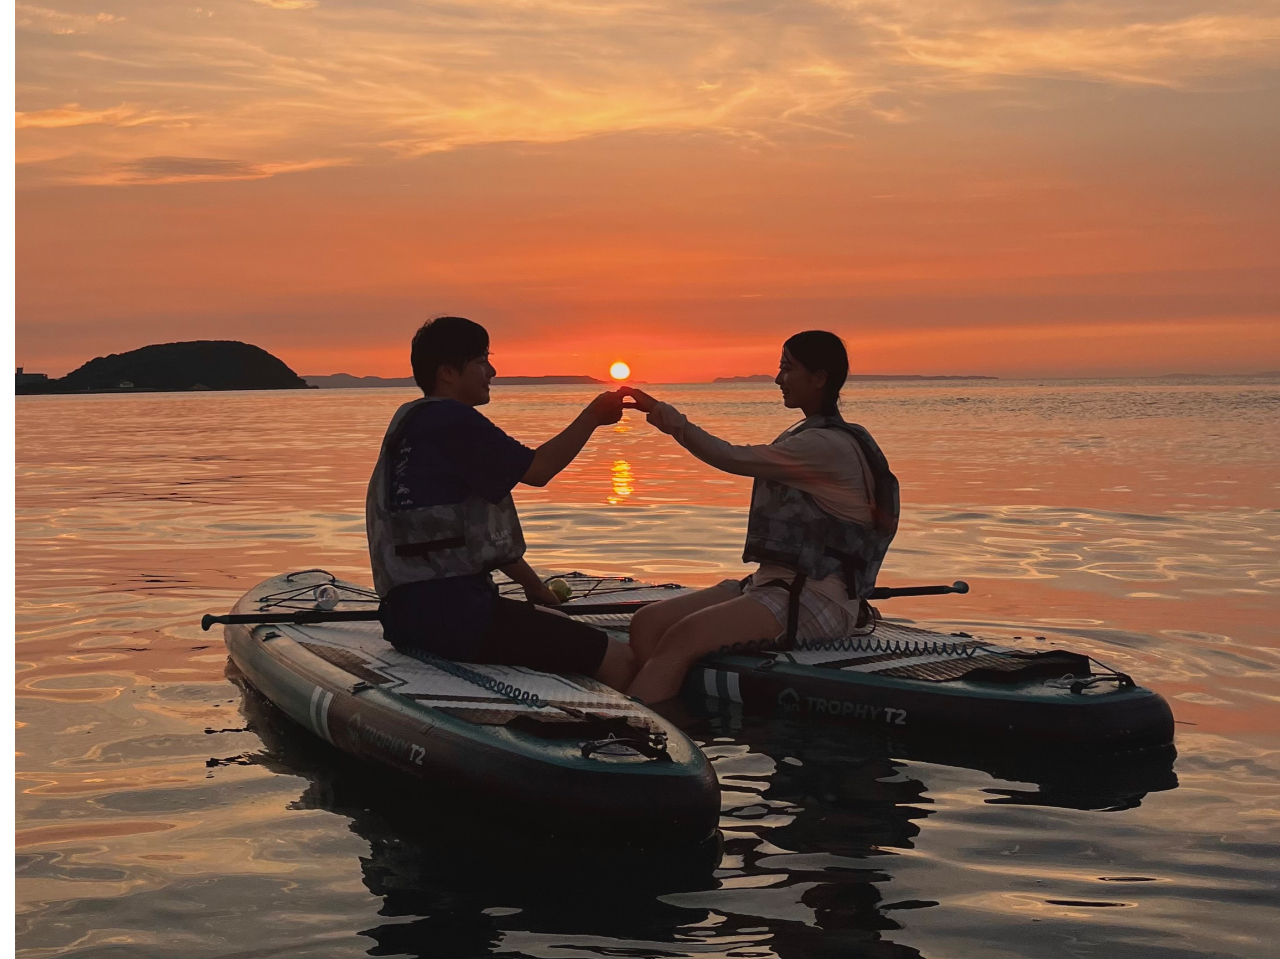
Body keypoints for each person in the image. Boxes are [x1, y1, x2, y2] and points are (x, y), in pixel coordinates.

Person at [621, 330, 900, 703]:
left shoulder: (825, 445)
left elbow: (730, 457)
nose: (778, 379)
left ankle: (637, 733)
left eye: (787, 369)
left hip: (818, 598)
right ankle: (671, 703)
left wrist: (664, 415)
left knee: (681, 638)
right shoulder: (812, 433)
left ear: (819, 379)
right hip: (773, 584)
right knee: (647, 624)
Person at [367, 316, 636, 689]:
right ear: (447, 372)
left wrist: (533, 587)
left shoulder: (409, 421)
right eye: (481, 361)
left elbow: (468, 533)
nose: (491, 370)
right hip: (460, 616)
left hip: (404, 617)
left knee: (553, 628)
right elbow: (538, 470)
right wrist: (592, 417)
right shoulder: (453, 419)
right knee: (621, 658)